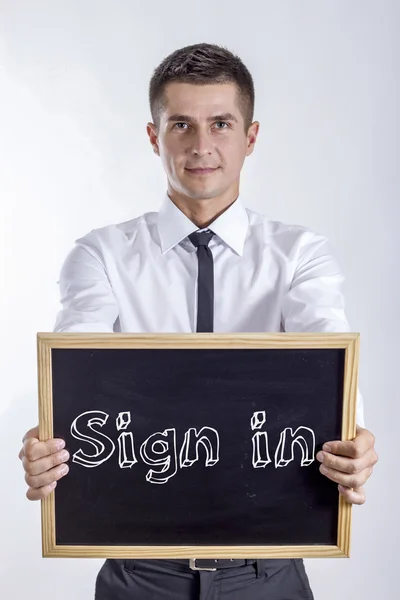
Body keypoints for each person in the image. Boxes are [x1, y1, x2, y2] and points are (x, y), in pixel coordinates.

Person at [18, 42, 378, 600]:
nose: (201, 145)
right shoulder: (101, 256)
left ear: (250, 137)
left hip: (268, 574)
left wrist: (355, 438)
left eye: (221, 124)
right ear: (153, 136)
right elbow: (75, 370)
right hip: (141, 575)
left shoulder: (300, 256)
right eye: (181, 124)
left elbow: (328, 357)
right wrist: (51, 439)